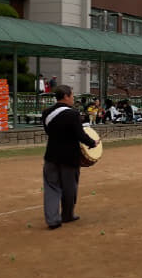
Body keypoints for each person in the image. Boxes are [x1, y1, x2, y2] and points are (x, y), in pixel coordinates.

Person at [41, 85, 99, 230]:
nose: (73, 98)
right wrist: (93, 143)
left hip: (51, 156)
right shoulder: (73, 114)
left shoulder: (47, 113)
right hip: (69, 157)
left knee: (51, 187)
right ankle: (67, 215)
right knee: (69, 187)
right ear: (66, 96)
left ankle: (53, 220)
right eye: (72, 95)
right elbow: (80, 135)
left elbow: (49, 132)